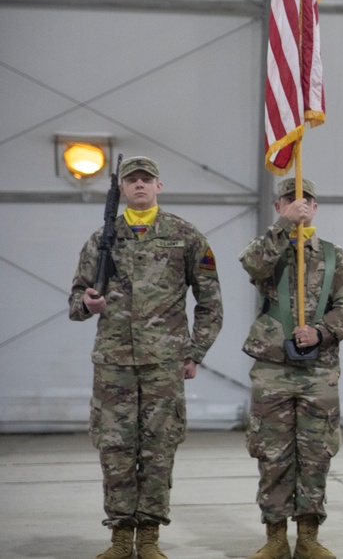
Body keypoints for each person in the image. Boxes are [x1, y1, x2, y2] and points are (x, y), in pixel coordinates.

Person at [69, 155, 223, 559]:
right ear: (121, 189)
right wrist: (88, 304)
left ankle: (150, 537)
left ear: (159, 186)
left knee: (159, 448)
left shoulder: (185, 236)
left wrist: (196, 352)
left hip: (164, 362)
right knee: (115, 449)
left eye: (146, 179)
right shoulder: (101, 239)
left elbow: (211, 302)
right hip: (114, 364)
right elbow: (75, 299)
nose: (139, 185)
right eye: (131, 180)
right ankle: (121, 538)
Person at [240, 177, 343, 559]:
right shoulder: (269, 249)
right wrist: (282, 228)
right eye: (289, 199)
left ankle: (308, 535)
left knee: (316, 452)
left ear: (315, 207)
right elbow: (253, 264)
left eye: (305, 198)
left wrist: (323, 332)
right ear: (278, 207)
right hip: (273, 366)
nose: (298, 204)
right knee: (272, 452)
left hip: (317, 370)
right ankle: (275, 536)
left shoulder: (333, 256)